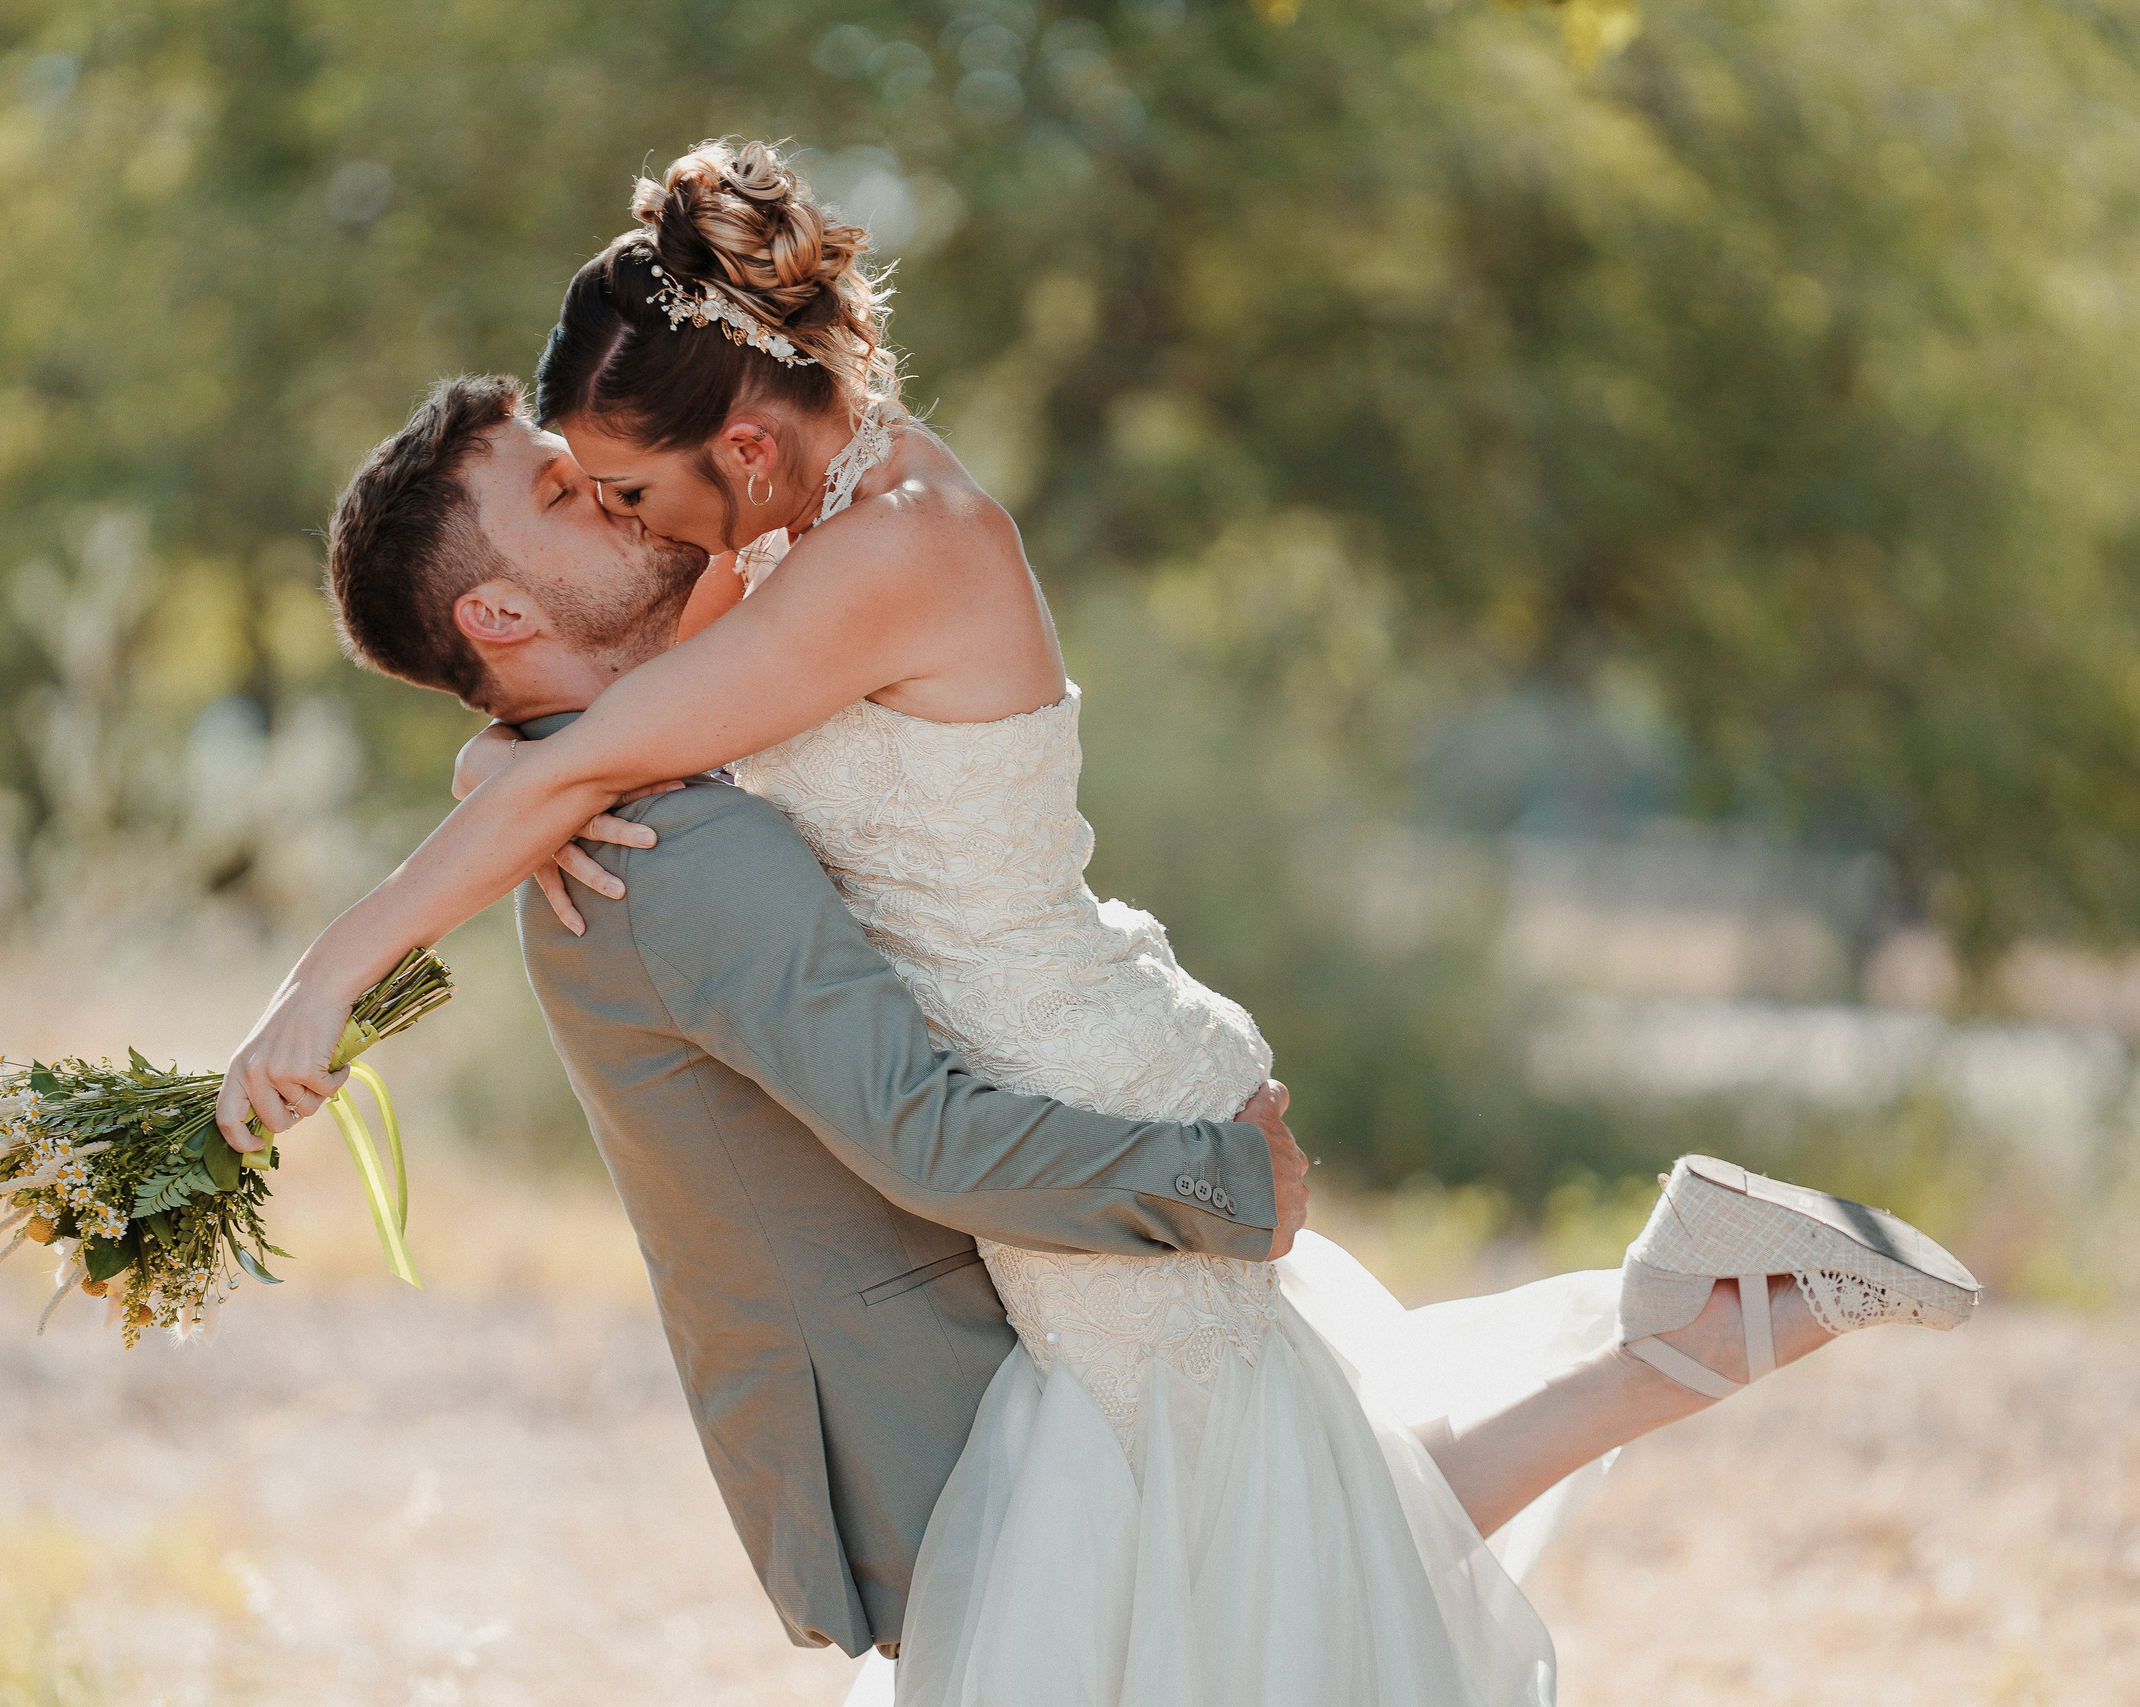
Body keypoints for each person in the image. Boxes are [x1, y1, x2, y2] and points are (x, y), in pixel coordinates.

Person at [227, 143, 1980, 1706]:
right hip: (1054, 1051)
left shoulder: (887, 553)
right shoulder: (786, 539)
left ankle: (1720, 1307)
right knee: (1258, 1534)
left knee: (1224, 1562)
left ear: (742, 447)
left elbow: (590, 754)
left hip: (1068, 1073)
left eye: (622, 491)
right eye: (592, 504)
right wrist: (501, 754)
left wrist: (323, 987)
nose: (627, 525)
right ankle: (1711, 1304)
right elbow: (588, 728)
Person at [310, 370, 1308, 1662]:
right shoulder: (671, 851)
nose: (610, 489)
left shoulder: (627, 783)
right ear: (498, 612)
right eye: (561, 493)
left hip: (983, 1394)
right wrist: (1225, 1181)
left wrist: (503, 759)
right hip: (943, 1422)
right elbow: (923, 1140)